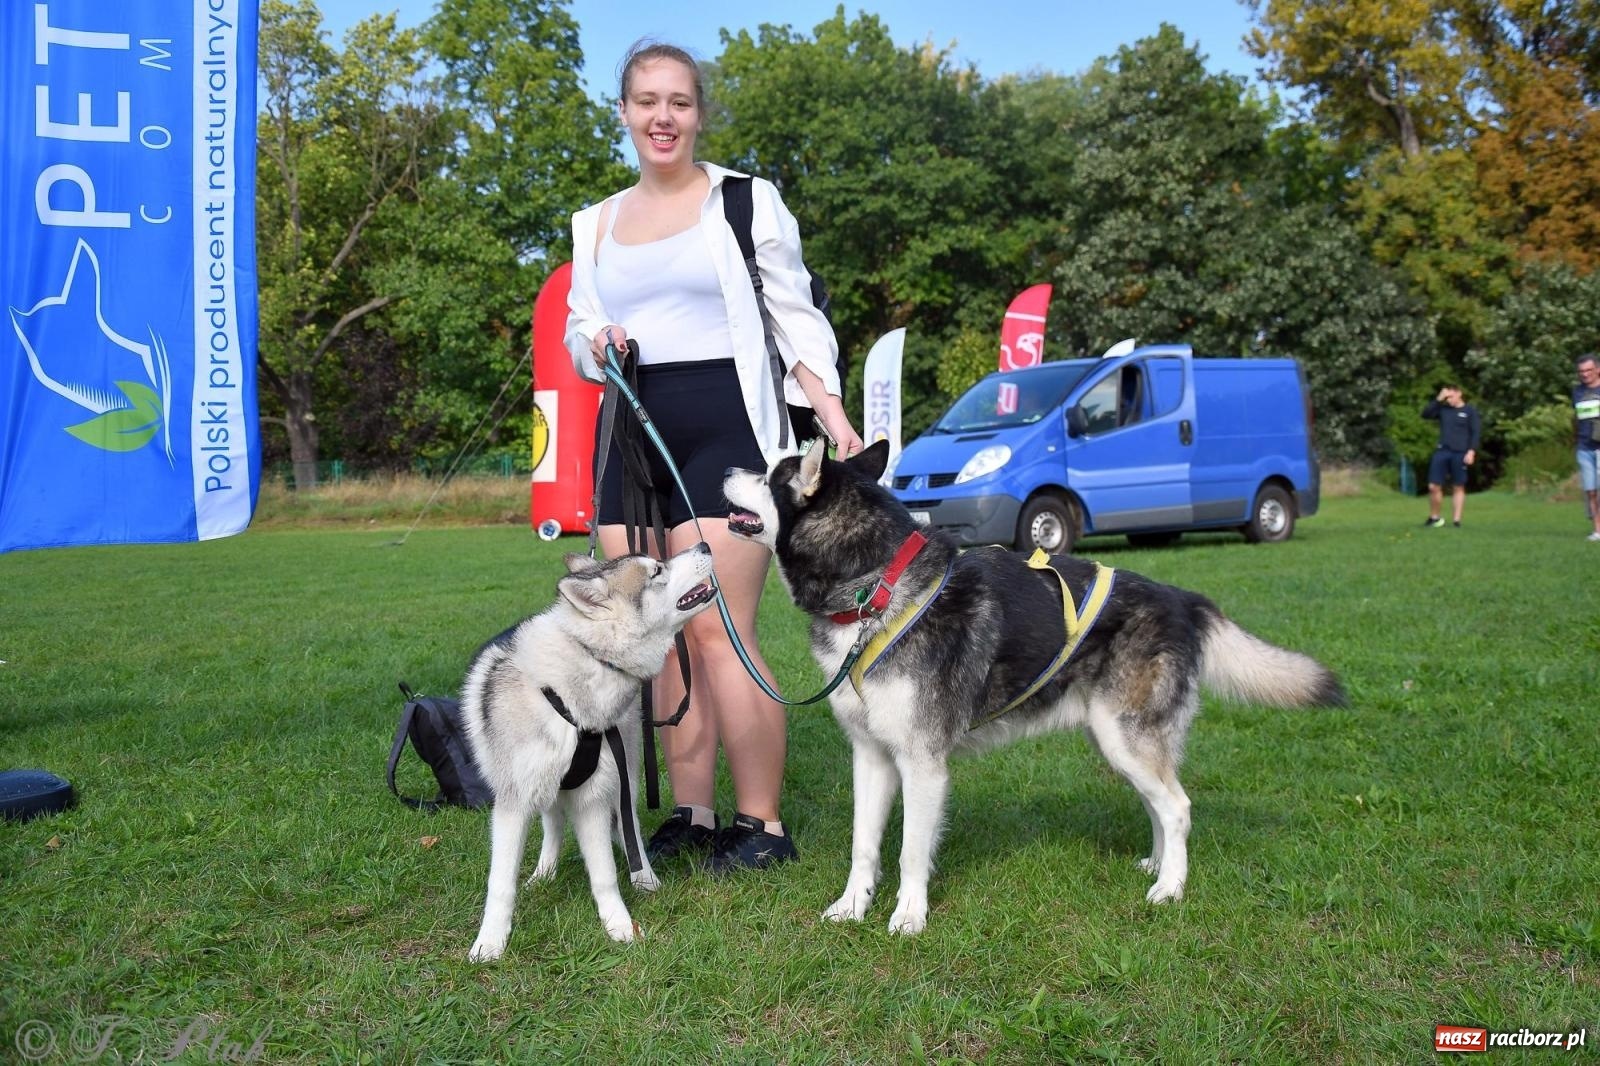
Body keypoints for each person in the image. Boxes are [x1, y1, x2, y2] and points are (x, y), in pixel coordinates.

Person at [565, 40, 864, 874]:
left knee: (719, 628)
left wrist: (831, 414)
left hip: (725, 427)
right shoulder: (594, 222)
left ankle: (761, 825)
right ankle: (692, 817)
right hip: (629, 433)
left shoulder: (744, 201)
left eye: (680, 102)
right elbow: (578, 327)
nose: (664, 117)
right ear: (622, 112)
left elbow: (794, 316)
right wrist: (598, 341)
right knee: (655, 629)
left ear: (698, 114)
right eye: (647, 101)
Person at [1421, 384, 1480, 528]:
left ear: (1459, 393)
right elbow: (1425, 414)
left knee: (1458, 486)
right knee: (1433, 486)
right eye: (1446, 397)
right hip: (1442, 451)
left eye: (1451, 396)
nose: (1449, 400)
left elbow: (1475, 432)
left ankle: (1456, 520)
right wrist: (1438, 399)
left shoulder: (1470, 411)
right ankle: (1434, 517)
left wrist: (1471, 451)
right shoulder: (1443, 409)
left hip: (1460, 452)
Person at [1574, 354, 1600, 541]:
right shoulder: (1576, 392)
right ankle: (1597, 531)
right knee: (1590, 490)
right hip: (1584, 447)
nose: (1585, 374)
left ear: (1597, 369)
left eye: (1588, 370)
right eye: (1581, 371)